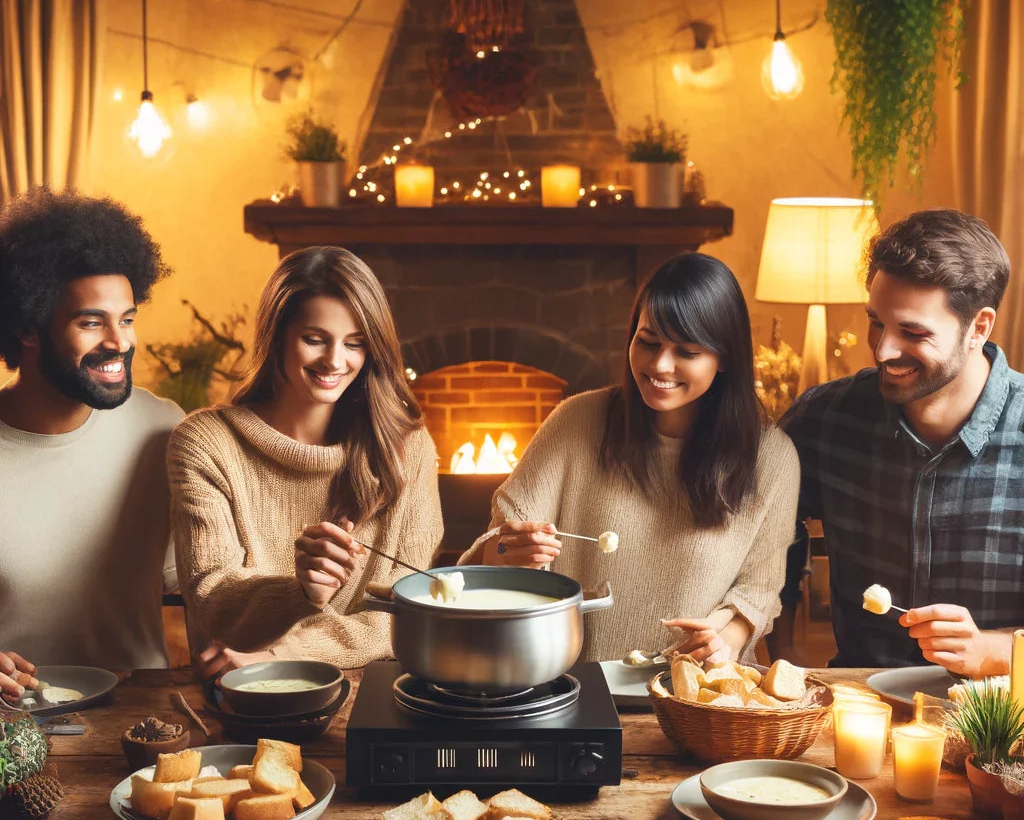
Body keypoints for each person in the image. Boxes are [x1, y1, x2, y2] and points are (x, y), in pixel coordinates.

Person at [463, 253, 800, 666]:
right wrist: (505, 552)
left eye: (687, 352)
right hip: (566, 684)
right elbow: (485, 557)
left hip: (691, 696)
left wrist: (724, 639)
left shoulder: (772, 459)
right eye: (648, 341)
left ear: (724, 358)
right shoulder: (576, 421)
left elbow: (759, 592)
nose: (660, 365)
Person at [167, 246, 443, 675]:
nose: (335, 361)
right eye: (314, 339)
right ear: (276, 336)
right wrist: (298, 592)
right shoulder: (207, 442)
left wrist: (283, 655)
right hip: (244, 687)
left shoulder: (409, 448)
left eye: (354, 344)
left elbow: (402, 613)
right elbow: (210, 596)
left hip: (370, 686)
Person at [780, 209, 1022, 676]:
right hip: (854, 707)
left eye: (912, 333)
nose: (883, 350)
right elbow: (758, 538)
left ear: (979, 328)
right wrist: (786, 656)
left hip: (1001, 729)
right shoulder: (825, 419)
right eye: (877, 323)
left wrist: (991, 651)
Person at [0, 188, 183, 702]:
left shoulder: (164, 431)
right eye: (91, 322)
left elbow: (211, 580)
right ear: (29, 327)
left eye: (126, 319)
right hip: (13, 733)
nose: (120, 342)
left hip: (143, 728)